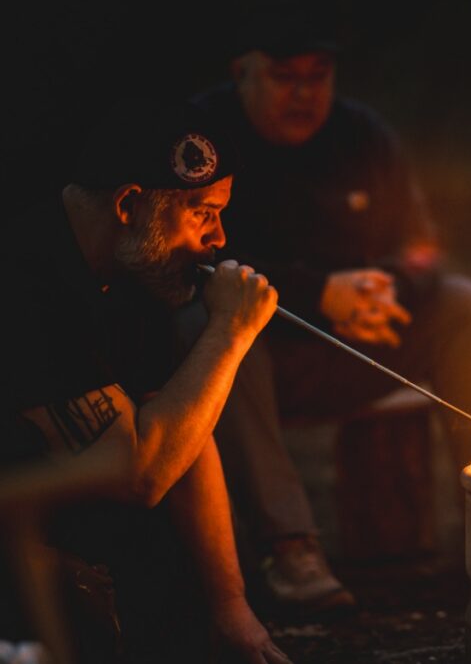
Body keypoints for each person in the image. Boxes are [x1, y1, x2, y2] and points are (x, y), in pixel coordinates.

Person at [190, 2, 471, 609]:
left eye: (318, 75)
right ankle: (289, 547)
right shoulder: (201, 139)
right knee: (226, 324)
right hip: (261, 362)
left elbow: (422, 247)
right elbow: (189, 261)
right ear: (243, 73)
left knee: (468, 304)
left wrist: (386, 286)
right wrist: (318, 293)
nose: (304, 93)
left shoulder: (361, 134)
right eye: (285, 76)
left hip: (363, 340)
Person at [1, 99, 291, 664]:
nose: (220, 238)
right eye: (204, 213)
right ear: (130, 204)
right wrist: (230, 332)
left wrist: (231, 607)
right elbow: (142, 473)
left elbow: (179, 427)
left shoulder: (129, 269)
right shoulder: (26, 284)